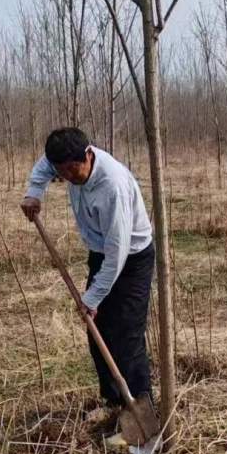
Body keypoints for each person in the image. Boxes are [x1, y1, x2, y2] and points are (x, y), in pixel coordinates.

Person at [20, 127, 154, 418]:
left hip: (131, 259)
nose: (68, 176)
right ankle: (114, 403)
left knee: (127, 336)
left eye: (73, 169)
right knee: (98, 331)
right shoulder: (63, 162)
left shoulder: (112, 187)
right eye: (62, 172)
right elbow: (45, 166)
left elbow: (117, 254)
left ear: (88, 155)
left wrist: (91, 298)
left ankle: (142, 411)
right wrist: (34, 193)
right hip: (101, 253)